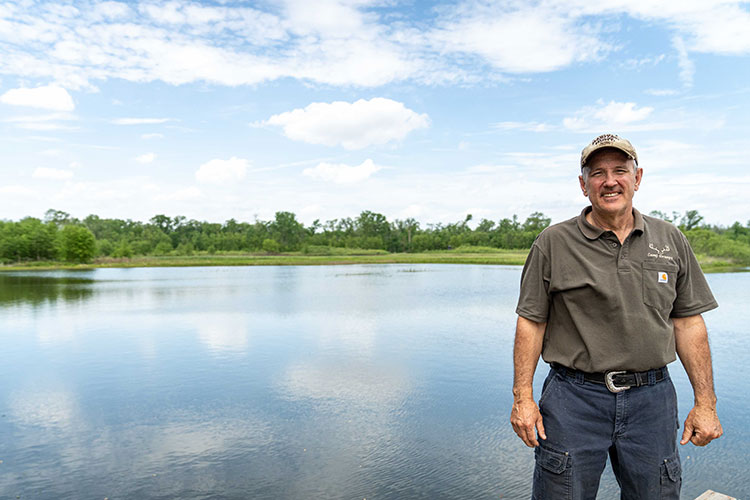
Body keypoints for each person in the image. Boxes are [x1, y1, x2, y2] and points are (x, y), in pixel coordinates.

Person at [510, 134, 723, 499]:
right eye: (598, 173)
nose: (610, 181)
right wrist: (522, 398)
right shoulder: (553, 242)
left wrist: (706, 403)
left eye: (620, 171)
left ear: (637, 178)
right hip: (573, 399)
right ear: (583, 185)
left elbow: (688, 323)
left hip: (652, 400)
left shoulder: (669, 239)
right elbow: (531, 321)